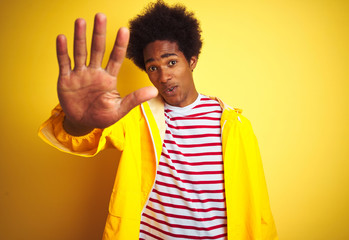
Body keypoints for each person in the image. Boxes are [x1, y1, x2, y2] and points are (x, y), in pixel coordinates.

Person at [39, 1, 278, 239]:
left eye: (171, 62)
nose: (163, 76)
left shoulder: (235, 126)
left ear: (192, 61)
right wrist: (79, 119)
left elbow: (257, 208)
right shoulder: (136, 117)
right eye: (153, 68)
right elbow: (78, 139)